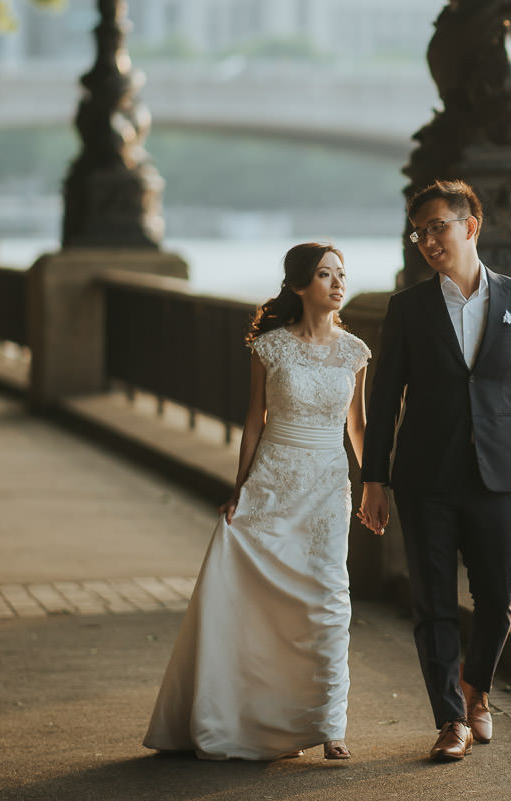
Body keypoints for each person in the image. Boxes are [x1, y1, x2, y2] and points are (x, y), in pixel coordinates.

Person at [358, 179, 511, 761]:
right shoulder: (408, 308)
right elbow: (385, 395)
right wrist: (375, 480)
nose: (426, 241)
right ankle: (451, 718)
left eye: (436, 227)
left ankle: (476, 687)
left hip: (496, 477)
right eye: (418, 232)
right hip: (425, 479)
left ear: (469, 227)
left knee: (498, 598)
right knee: (434, 603)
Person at [144, 243, 370, 762]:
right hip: (273, 479)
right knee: (250, 591)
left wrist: (377, 483)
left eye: (341, 274)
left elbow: (356, 425)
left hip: (328, 486)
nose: (337, 283)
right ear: (298, 285)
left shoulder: (356, 352)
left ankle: (330, 723)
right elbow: (254, 421)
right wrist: (239, 486)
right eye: (324, 274)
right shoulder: (271, 347)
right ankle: (243, 711)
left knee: (330, 600)